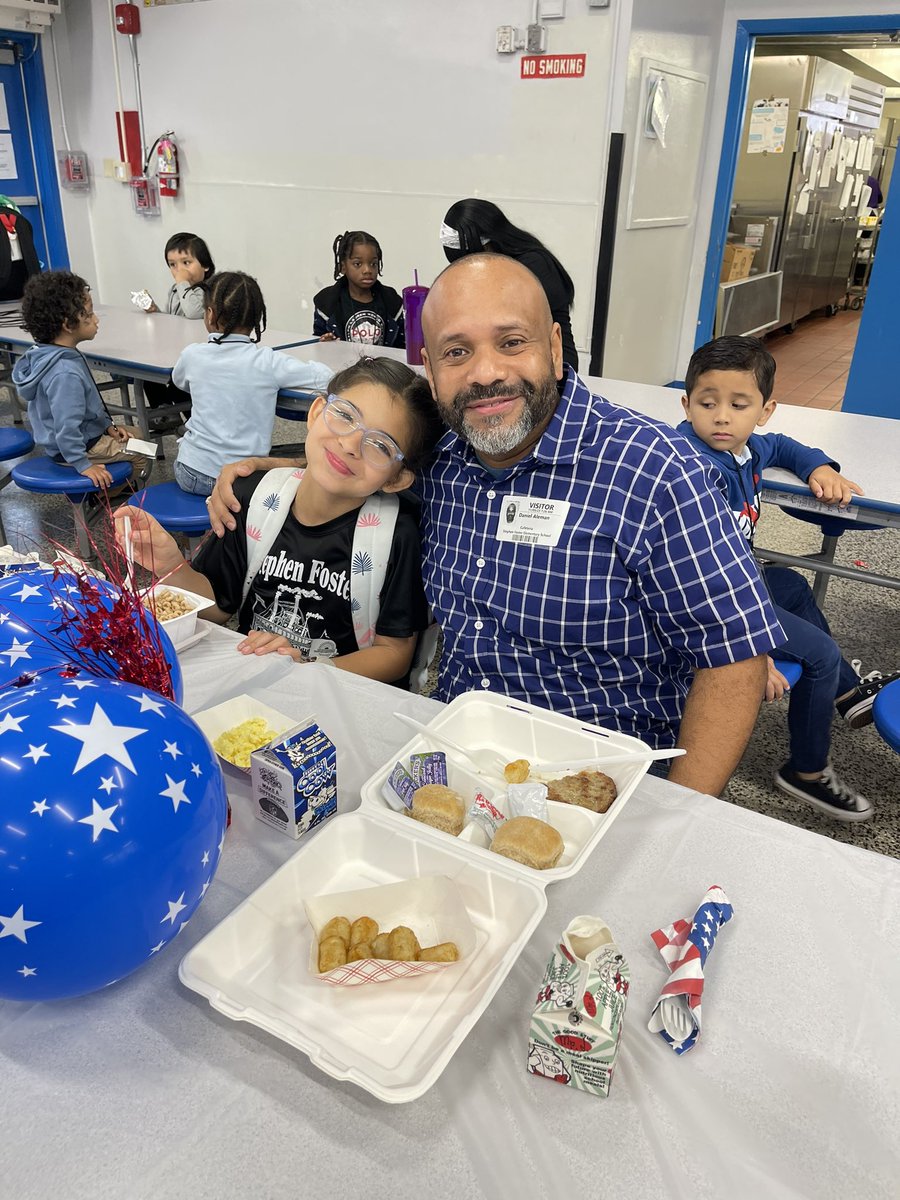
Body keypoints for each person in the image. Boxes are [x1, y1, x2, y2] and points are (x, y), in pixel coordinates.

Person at [207, 256, 785, 797]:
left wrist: (679, 817)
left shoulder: (655, 472)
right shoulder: (449, 456)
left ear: (555, 347)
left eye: (512, 343)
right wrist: (270, 466)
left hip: (597, 778)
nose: (486, 374)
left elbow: (734, 659)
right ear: (430, 372)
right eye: (456, 353)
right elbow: (371, 459)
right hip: (451, 754)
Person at [678, 335, 900, 822]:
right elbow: (695, 583)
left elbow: (781, 445)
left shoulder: (747, 447)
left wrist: (818, 466)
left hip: (740, 581)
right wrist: (750, 652)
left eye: (739, 405)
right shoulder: (691, 471)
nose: (721, 417)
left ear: (765, 409)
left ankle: (845, 692)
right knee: (818, 654)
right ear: (686, 403)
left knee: (794, 586)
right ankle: (806, 771)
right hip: (712, 602)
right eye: (707, 403)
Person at [118, 358, 443, 687]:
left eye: (379, 445)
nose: (349, 445)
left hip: (341, 694)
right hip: (255, 685)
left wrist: (309, 666)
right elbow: (217, 608)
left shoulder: (396, 536)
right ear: (316, 413)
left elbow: (394, 655)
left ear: (397, 478)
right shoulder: (253, 496)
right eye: (345, 415)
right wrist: (174, 566)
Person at [171, 271, 333, 496]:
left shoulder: (193, 355)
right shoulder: (268, 362)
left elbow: (179, 380)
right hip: (244, 477)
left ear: (209, 315)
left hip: (191, 472)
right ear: (257, 319)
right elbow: (324, 377)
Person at [12, 270, 151, 491]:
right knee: (142, 452)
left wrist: (108, 427)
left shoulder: (52, 353)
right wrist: (82, 464)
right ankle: (112, 497)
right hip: (78, 448)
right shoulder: (64, 372)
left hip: (79, 438)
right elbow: (66, 427)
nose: (96, 320)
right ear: (68, 325)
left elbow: (88, 406)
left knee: (138, 435)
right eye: (89, 314)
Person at [441, 198, 578, 373]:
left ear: (488, 244)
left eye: (473, 259)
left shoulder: (532, 267)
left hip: (553, 365)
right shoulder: (501, 267)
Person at [141, 232, 216, 428]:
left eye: (186, 263)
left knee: (180, 388)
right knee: (147, 373)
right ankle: (165, 411)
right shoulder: (176, 291)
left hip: (199, 356)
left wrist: (182, 282)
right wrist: (156, 310)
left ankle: (195, 425)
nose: (179, 270)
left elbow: (192, 312)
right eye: (172, 265)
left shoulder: (206, 290)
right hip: (177, 351)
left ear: (205, 265)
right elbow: (174, 320)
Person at [313, 231, 405, 347]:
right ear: (343, 267)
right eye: (358, 264)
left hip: (381, 365)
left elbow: (402, 345)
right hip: (343, 364)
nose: (367, 270)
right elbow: (316, 342)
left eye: (373, 264)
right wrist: (325, 343)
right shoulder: (327, 303)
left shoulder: (391, 301)